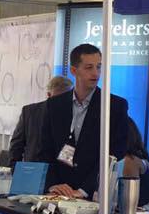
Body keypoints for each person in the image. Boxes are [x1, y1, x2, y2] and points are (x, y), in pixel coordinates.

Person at [37, 43, 128, 199]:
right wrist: (53, 185)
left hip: (94, 194)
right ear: (74, 70)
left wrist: (84, 190)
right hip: (58, 193)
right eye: (89, 67)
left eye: (98, 67)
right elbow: (45, 150)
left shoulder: (114, 106)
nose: (95, 73)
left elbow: (115, 153)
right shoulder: (55, 105)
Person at [9, 75, 73, 167]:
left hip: (58, 171)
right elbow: (16, 146)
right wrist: (15, 169)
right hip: (33, 170)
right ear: (49, 95)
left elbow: (71, 145)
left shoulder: (73, 114)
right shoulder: (29, 112)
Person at [123, 117, 149, 208]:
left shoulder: (130, 160)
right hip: (145, 209)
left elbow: (128, 199)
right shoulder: (141, 156)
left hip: (136, 211)